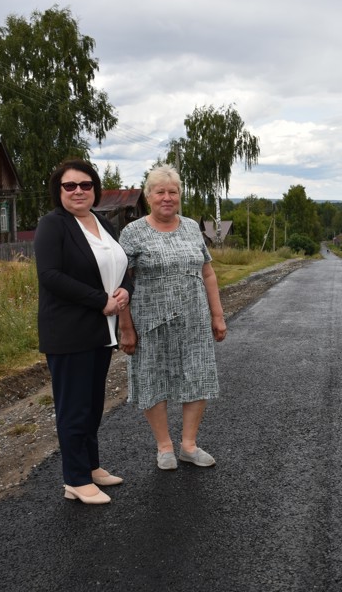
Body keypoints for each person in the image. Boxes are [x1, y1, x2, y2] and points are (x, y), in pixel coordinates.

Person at [34, 159, 132, 505]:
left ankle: (90, 466)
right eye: (69, 186)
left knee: (92, 404)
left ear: (95, 189)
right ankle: (74, 479)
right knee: (73, 406)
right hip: (69, 330)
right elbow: (51, 276)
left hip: (101, 330)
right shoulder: (53, 225)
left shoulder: (102, 223)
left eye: (85, 185)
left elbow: (119, 266)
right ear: (58, 191)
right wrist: (100, 301)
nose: (78, 191)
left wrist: (124, 291)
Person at [118, 165, 227, 471]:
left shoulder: (192, 227)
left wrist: (217, 315)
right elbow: (120, 282)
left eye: (173, 192)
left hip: (194, 319)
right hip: (150, 323)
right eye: (160, 192)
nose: (167, 197)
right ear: (148, 195)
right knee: (153, 379)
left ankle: (189, 445)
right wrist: (126, 327)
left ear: (180, 195)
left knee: (198, 376)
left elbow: (207, 272)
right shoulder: (133, 232)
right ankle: (164, 447)